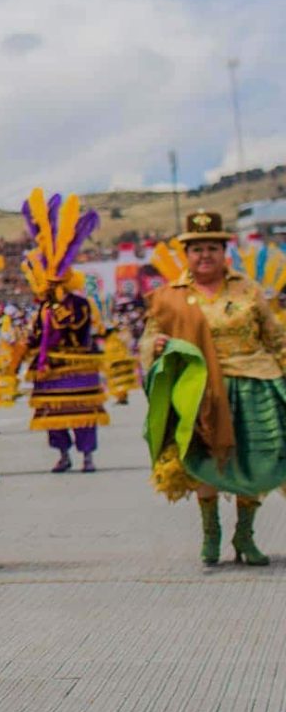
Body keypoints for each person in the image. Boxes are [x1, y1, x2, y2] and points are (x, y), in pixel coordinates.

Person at [142, 210, 282, 566]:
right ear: (187, 255)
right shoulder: (170, 297)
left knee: (255, 460)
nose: (205, 255)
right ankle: (211, 533)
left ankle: (245, 534)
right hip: (199, 392)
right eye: (197, 249)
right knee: (204, 460)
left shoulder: (247, 289)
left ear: (224, 252)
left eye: (212, 248)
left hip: (254, 386)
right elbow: (148, 339)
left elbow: (275, 338)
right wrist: (155, 346)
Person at [18, 190, 109, 473]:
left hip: (77, 365)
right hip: (51, 368)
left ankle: (87, 456)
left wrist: (59, 314)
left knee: (83, 414)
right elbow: (36, 334)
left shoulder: (80, 304)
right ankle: (63, 454)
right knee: (53, 415)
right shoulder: (43, 307)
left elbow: (80, 328)